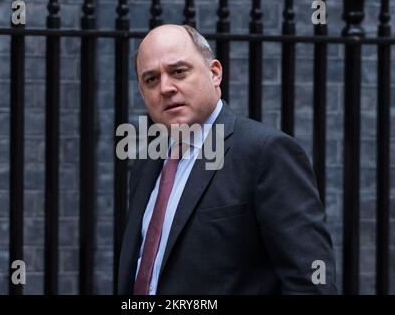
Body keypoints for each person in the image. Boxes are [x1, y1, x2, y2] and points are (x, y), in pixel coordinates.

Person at [118, 24, 337, 294]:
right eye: (151, 79)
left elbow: (312, 282)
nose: (165, 87)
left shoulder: (265, 153)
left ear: (214, 73)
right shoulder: (146, 164)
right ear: (142, 93)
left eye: (179, 72)